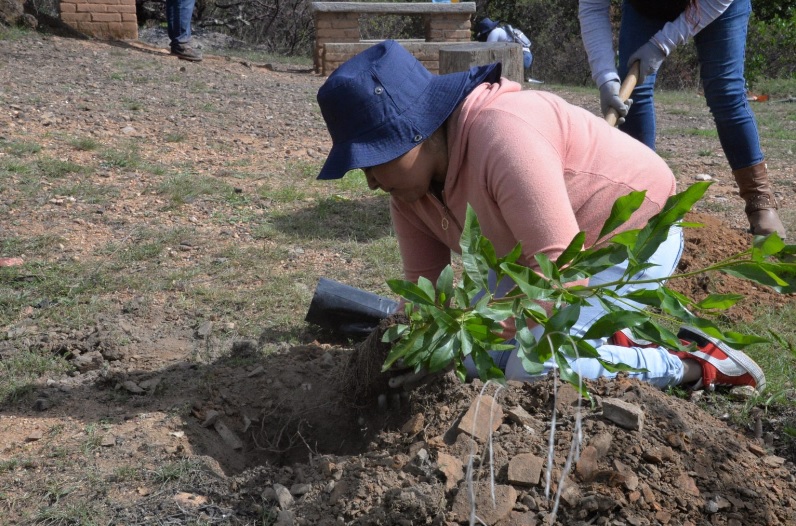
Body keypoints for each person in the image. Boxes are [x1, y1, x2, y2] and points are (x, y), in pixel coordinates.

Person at [314, 40, 765, 392]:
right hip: (536, 259)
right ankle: (608, 338)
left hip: (628, 236)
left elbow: (562, 276)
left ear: (417, 130)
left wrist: (495, 330)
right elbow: (424, 299)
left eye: (376, 159)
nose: (371, 181)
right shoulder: (409, 192)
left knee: (534, 370)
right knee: (473, 361)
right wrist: (416, 348)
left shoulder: (504, 137)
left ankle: (696, 364)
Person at [579, 0, 786, 238]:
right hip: (648, 7)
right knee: (632, 91)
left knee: (725, 91)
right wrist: (605, 78)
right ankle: (643, 197)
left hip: (716, 4)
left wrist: (660, 45)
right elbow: (593, 7)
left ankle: (759, 200)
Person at [474, 18, 535, 82]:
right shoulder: (501, 30)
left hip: (523, 57)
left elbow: (488, 52)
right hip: (527, 56)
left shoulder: (493, 33)